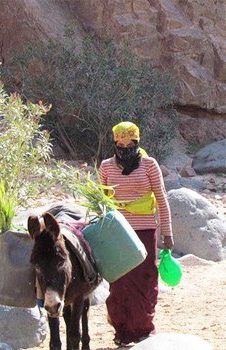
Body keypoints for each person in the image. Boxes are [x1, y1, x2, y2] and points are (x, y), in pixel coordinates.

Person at [99, 121, 174, 347]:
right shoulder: (106, 167)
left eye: (129, 142)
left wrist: (167, 234)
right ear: (114, 142)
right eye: (120, 142)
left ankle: (143, 331)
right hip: (117, 233)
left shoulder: (150, 165)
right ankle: (122, 332)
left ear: (137, 141)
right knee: (120, 282)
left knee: (145, 279)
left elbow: (161, 199)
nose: (125, 146)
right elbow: (102, 202)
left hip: (145, 231)